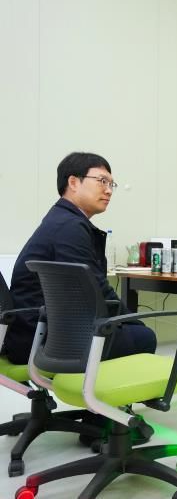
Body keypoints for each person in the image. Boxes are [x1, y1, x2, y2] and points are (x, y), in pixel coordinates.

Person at [6, 152, 157, 365]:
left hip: (32, 333)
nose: (108, 190)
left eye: (111, 184)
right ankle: (94, 387)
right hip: (44, 340)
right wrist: (133, 321)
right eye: (102, 181)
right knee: (144, 336)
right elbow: (94, 291)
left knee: (131, 330)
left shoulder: (60, 220)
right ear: (73, 182)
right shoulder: (70, 227)